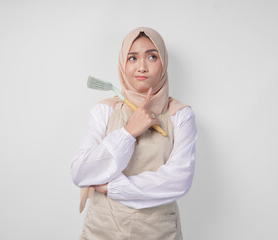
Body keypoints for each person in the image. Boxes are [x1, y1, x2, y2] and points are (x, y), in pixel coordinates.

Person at [70, 26, 197, 240]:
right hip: (102, 229)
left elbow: (179, 179)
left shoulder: (180, 115)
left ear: (163, 63)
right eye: (133, 58)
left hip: (159, 231)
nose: (142, 67)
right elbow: (81, 172)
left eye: (152, 57)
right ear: (123, 63)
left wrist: (112, 187)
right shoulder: (104, 110)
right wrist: (129, 132)